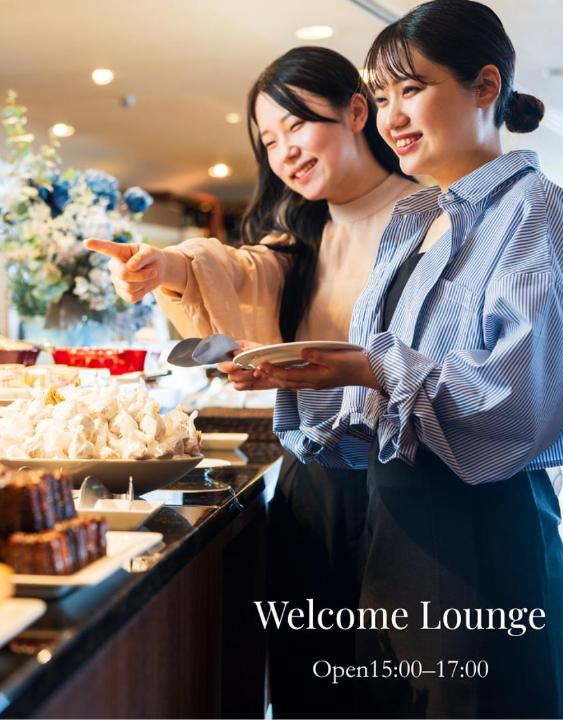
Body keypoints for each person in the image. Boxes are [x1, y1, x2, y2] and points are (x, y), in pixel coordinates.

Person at [233, 1, 563, 716]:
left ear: (485, 87)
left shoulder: (539, 211)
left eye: (411, 89)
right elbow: (385, 395)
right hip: (395, 529)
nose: (391, 115)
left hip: (483, 531)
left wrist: (366, 367)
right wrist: (307, 377)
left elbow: (517, 399)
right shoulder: (422, 223)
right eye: (382, 94)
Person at [87, 46, 417, 718]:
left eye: (297, 125)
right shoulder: (300, 235)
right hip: (310, 485)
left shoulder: (428, 214)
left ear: (358, 111)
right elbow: (237, 270)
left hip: (406, 486)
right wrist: (165, 266)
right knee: (308, 686)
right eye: (268, 140)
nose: (285, 152)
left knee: (396, 683)